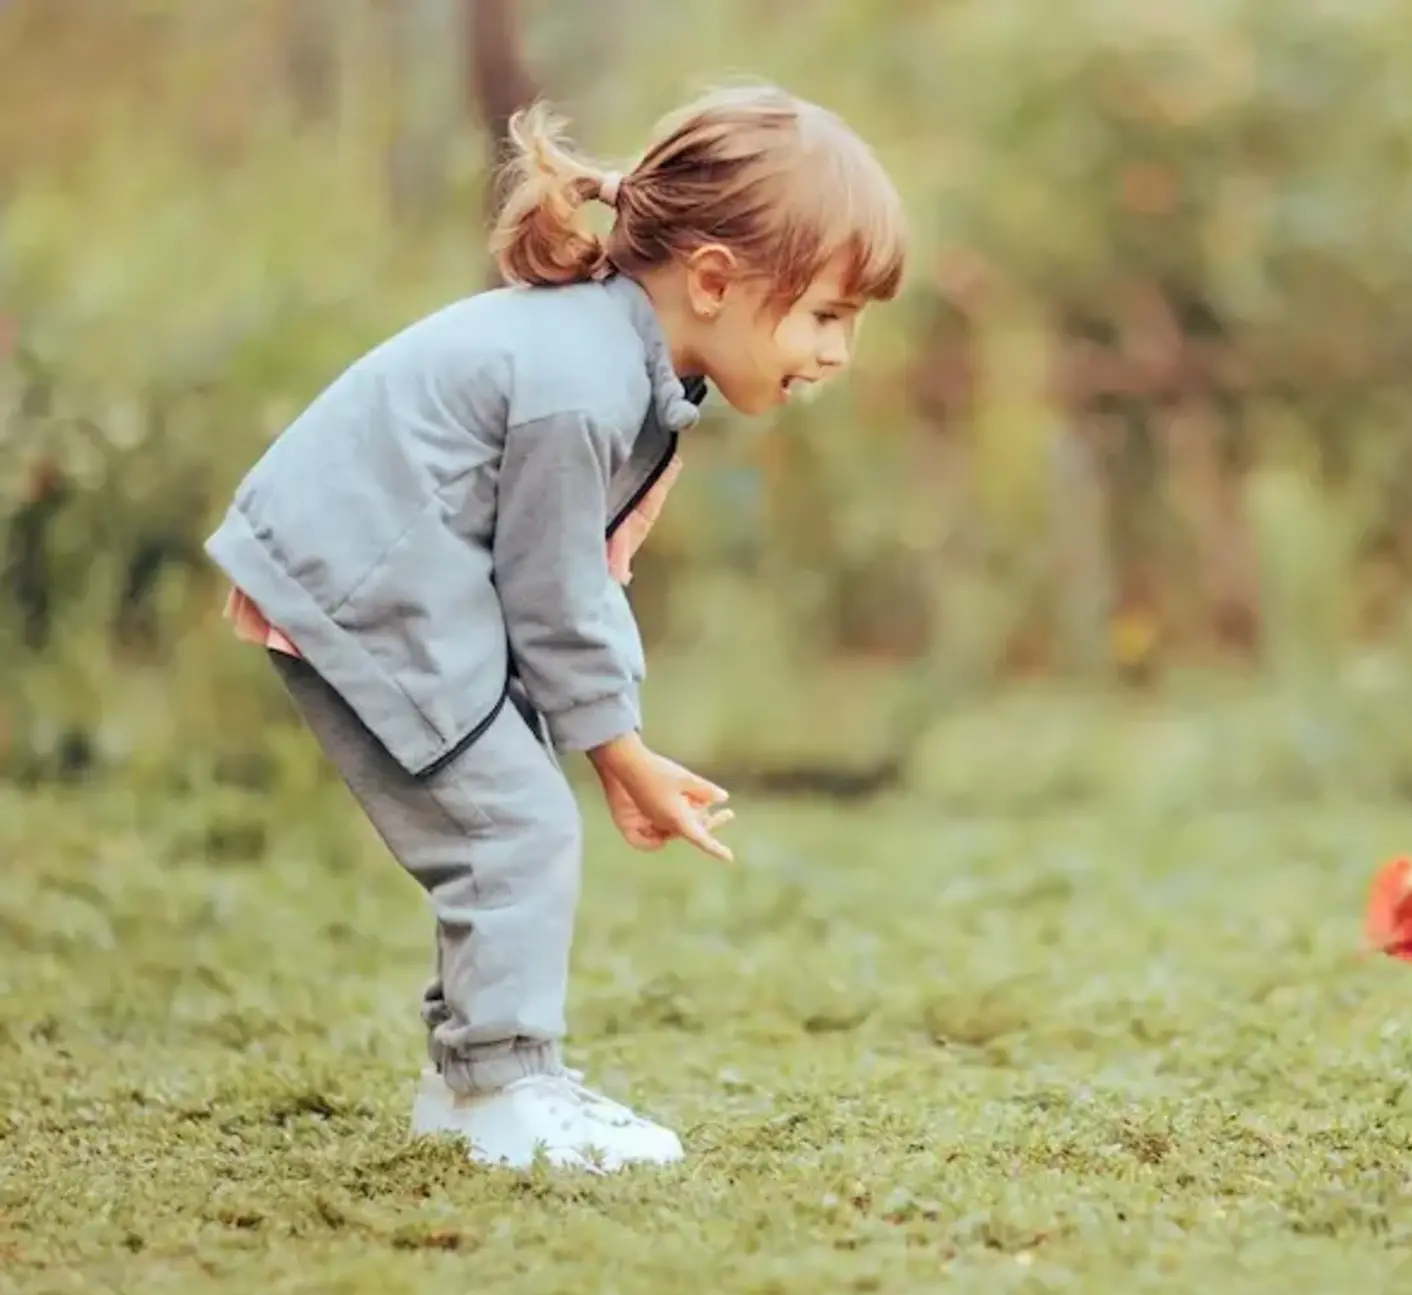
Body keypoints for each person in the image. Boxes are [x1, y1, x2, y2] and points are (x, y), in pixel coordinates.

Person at [202, 82, 908, 1172]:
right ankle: (501, 1087)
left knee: (507, 816)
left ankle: (475, 1083)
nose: (839, 352)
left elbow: (550, 578)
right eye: (827, 315)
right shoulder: (581, 384)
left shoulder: (613, 360)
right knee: (513, 828)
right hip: (363, 577)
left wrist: (603, 741)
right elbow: (554, 592)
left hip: (388, 573)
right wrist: (619, 754)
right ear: (713, 280)